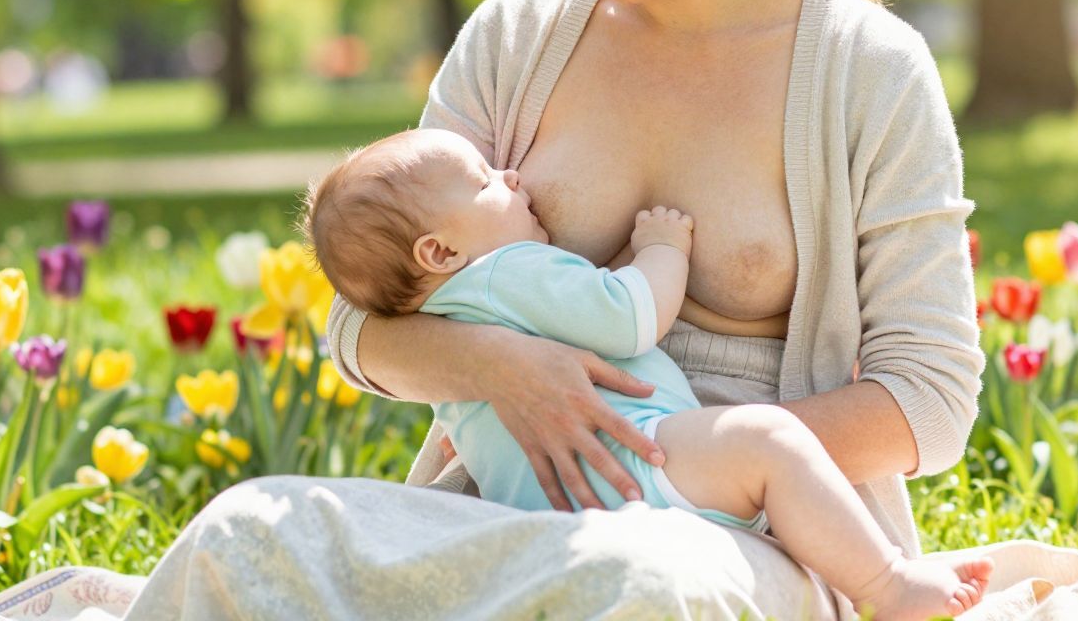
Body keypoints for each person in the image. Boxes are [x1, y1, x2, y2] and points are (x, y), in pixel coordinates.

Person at [325, 0, 987, 602]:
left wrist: (691, 461)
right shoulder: (518, 36)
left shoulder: (868, 70)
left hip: (752, 528)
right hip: (514, 508)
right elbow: (360, 319)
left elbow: (932, 399)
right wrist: (504, 371)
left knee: (634, 581)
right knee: (249, 531)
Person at [306, 126, 994, 621]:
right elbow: (628, 318)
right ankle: (890, 583)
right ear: (439, 249)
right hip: (636, 467)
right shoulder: (508, 273)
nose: (510, 177)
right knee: (768, 443)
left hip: (536, 517)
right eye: (486, 183)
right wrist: (660, 252)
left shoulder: (442, 313)